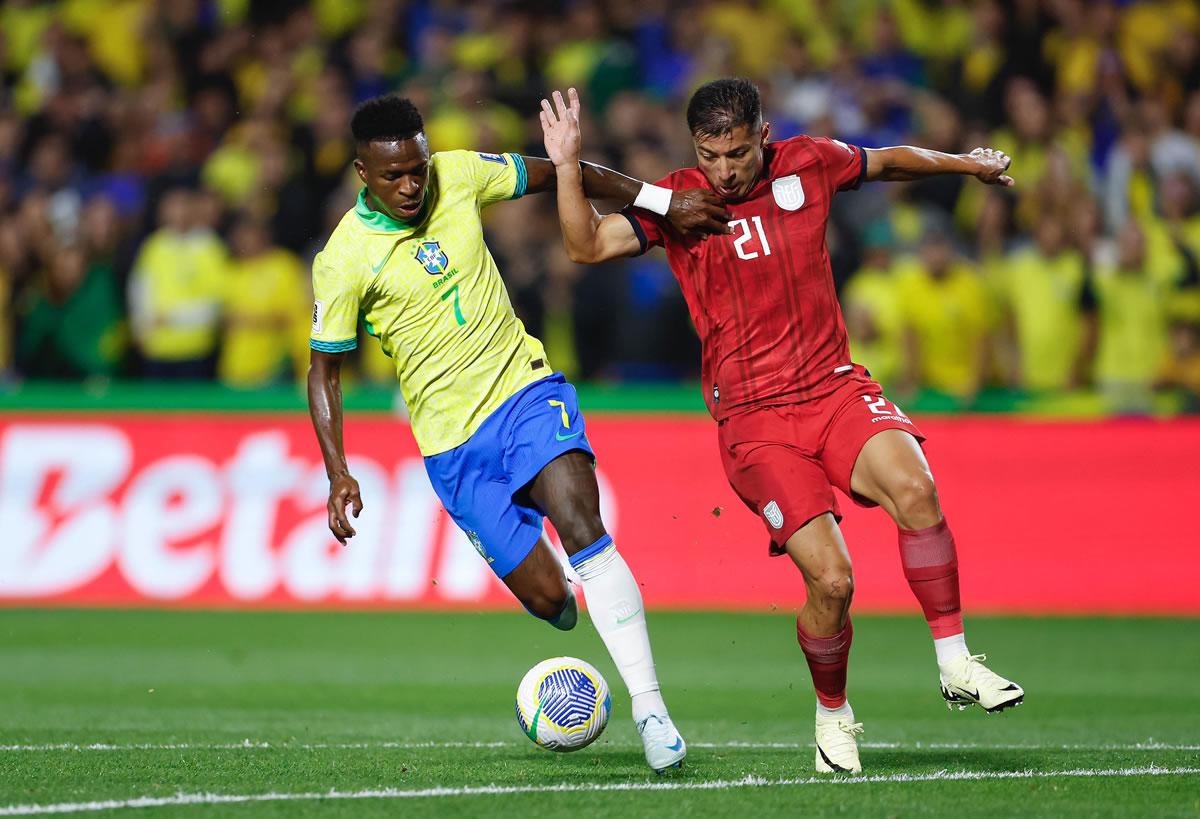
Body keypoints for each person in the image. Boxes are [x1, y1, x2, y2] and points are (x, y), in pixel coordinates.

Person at [541, 80, 1024, 775]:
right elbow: (585, 245)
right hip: (755, 422)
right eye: (710, 155)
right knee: (832, 580)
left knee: (917, 490)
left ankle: (955, 661)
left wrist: (966, 162)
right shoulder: (678, 202)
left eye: (737, 153)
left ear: (763, 136)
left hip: (833, 388)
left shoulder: (809, 163)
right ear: (695, 150)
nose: (725, 171)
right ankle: (833, 718)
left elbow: (887, 160)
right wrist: (566, 164)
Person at [307, 94, 729, 773]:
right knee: (551, 601)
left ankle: (653, 714)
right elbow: (322, 372)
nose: (413, 184)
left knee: (581, 523)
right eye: (394, 176)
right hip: (452, 447)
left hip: (523, 391)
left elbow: (566, 171)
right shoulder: (344, 259)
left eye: (417, 168)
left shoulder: (459, 173)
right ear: (363, 173)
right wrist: (338, 471)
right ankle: (573, 601)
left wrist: (659, 202)